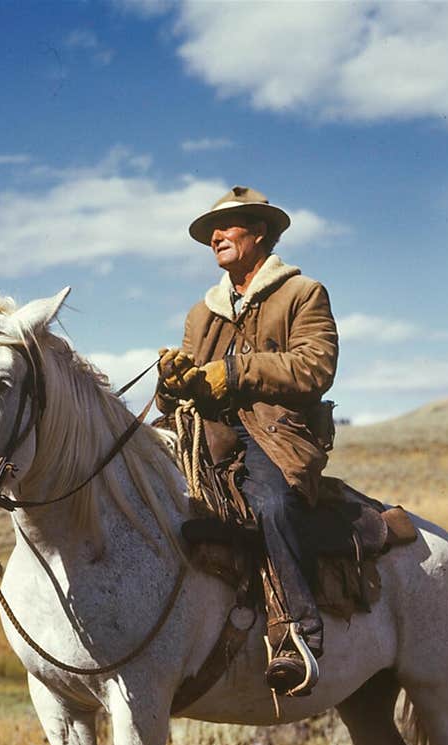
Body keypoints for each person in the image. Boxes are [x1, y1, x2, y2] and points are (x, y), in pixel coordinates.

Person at [157, 186, 339, 696]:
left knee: (274, 504)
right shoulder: (203, 312)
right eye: (211, 233)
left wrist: (235, 372)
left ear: (259, 232)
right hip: (206, 432)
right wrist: (173, 383)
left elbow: (314, 367)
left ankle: (296, 632)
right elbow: (191, 384)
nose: (215, 237)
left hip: (276, 432)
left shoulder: (302, 293)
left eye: (228, 226)